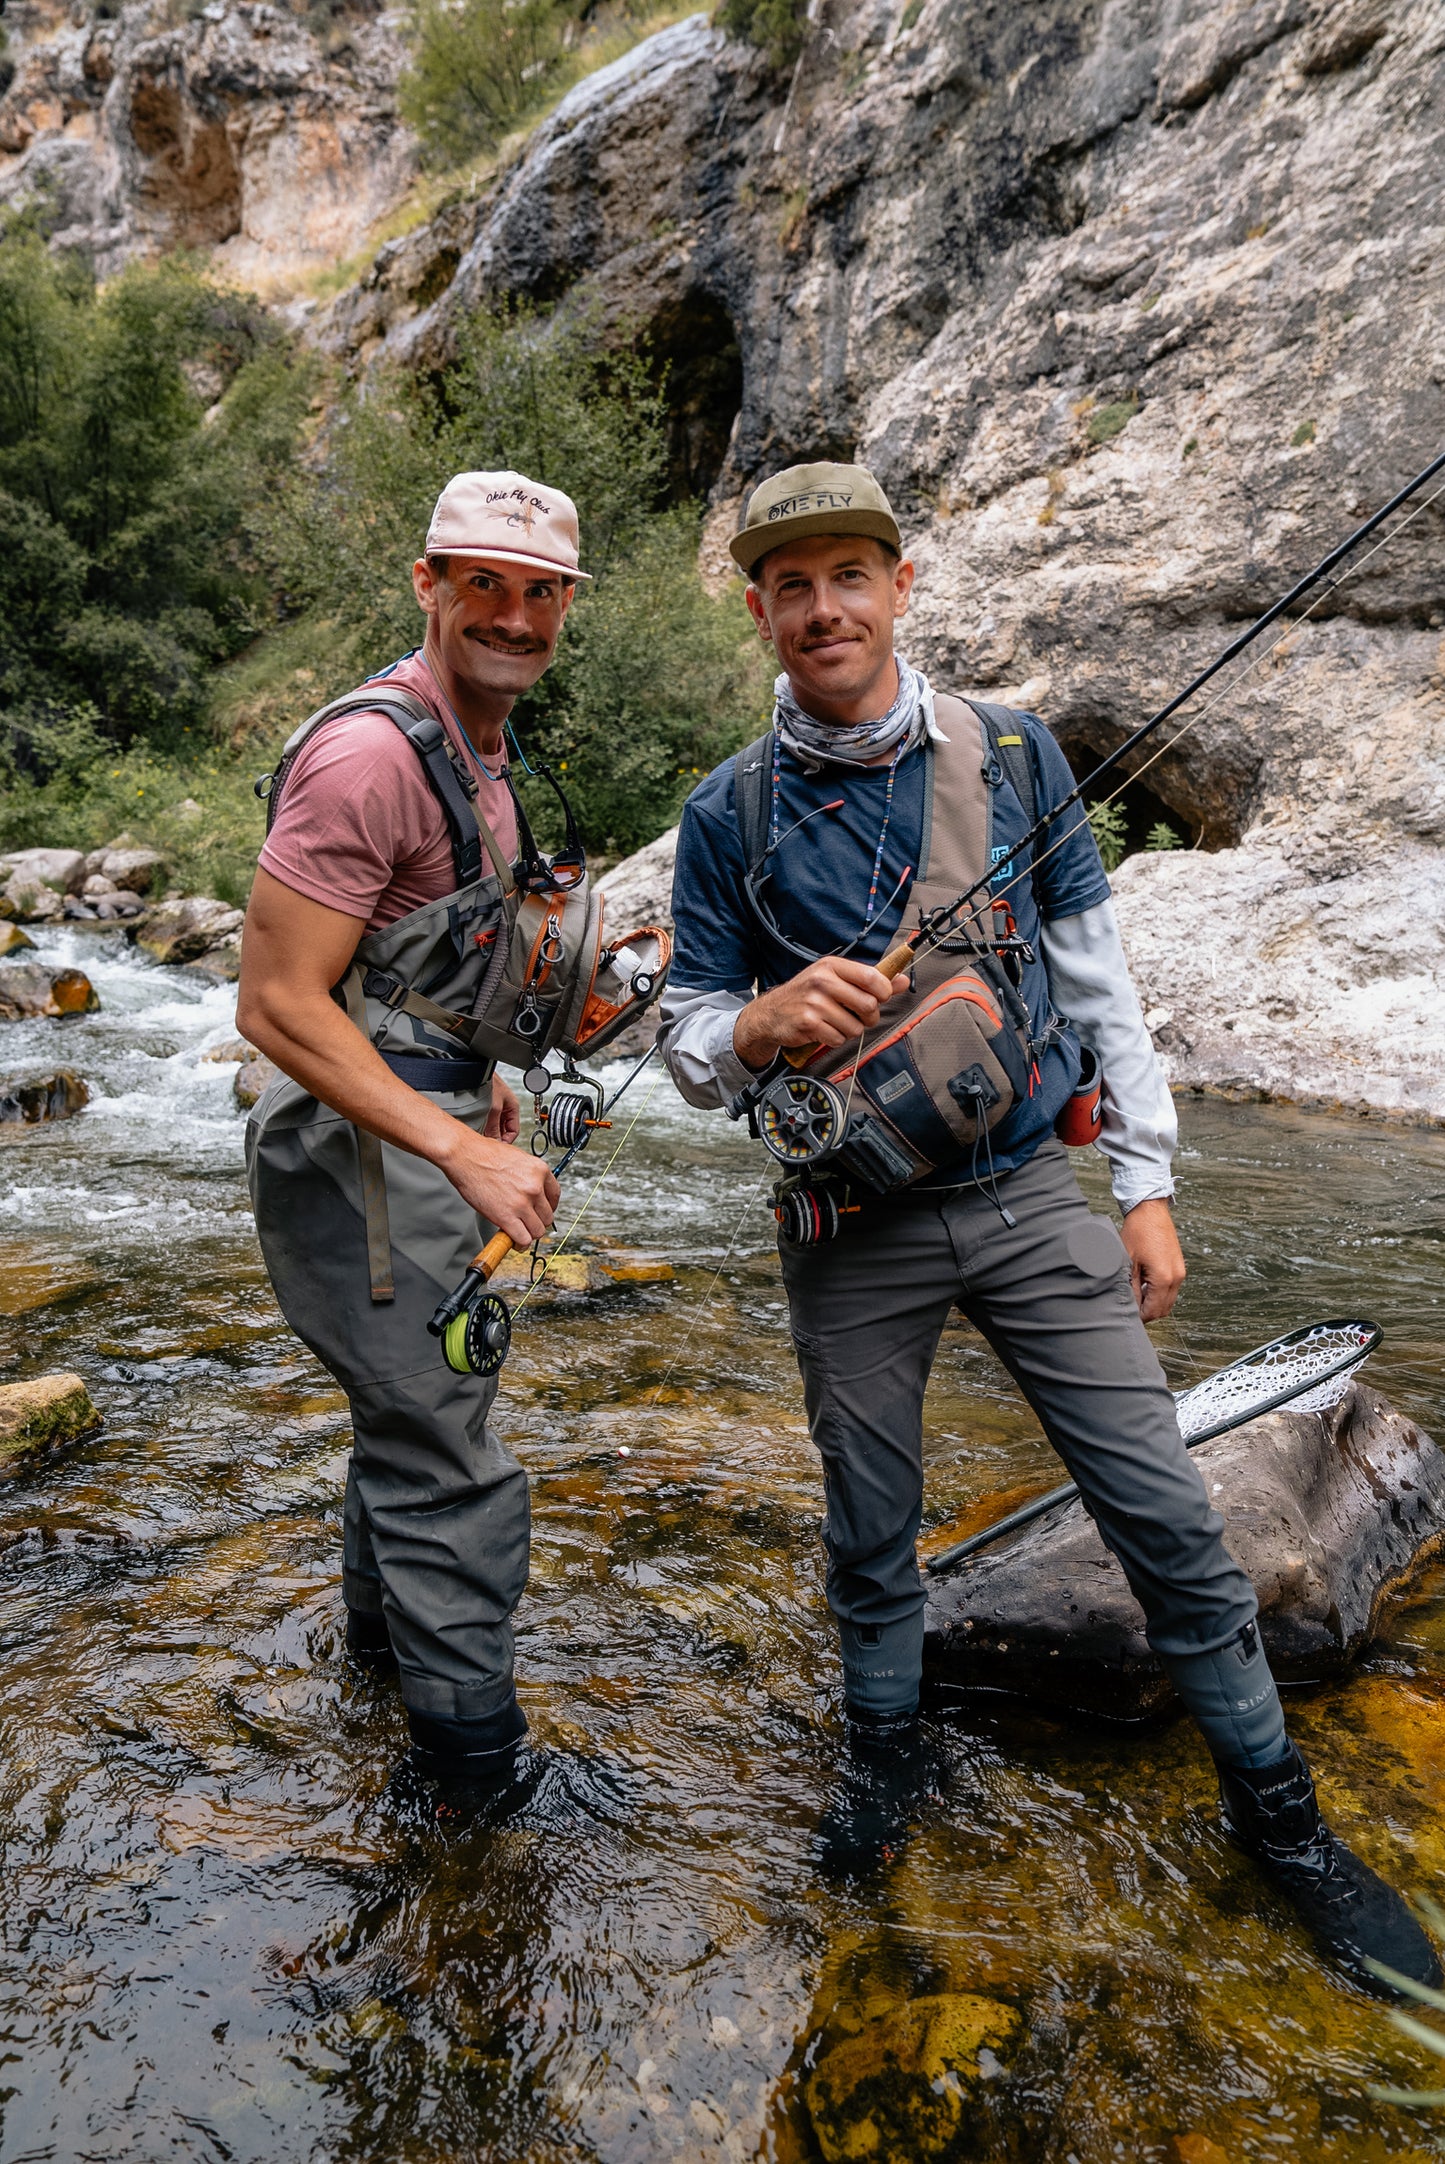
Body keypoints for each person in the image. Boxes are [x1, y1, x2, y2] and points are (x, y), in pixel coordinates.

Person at [656, 459, 1438, 1989]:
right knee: (869, 1538)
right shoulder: (723, 817)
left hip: (1026, 1198)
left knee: (1162, 1514)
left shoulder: (1014, 762)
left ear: (898, 585)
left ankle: (1276, 1819)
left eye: (848, 574)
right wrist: (754, 1026)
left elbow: (1098, 992)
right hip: (844, 1232)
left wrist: (1143, 1187)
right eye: (790, 583)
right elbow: (681, 1044)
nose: (823, 606)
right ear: (759, 609)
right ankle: (882, 1770)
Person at [238, 469, 579, 1793]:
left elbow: (402, 965)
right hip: (359, 1155)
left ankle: (377, 1671)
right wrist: (458, 1148)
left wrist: (480, 1075)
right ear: (427, 582)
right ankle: (472, 1776)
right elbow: (274, 1002)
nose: (512, 613)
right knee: (449, 1447)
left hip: (415, 1116)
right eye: (481, 581)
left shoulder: (475, 743)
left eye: (539, 590)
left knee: (407, 1415)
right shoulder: (371, 754)